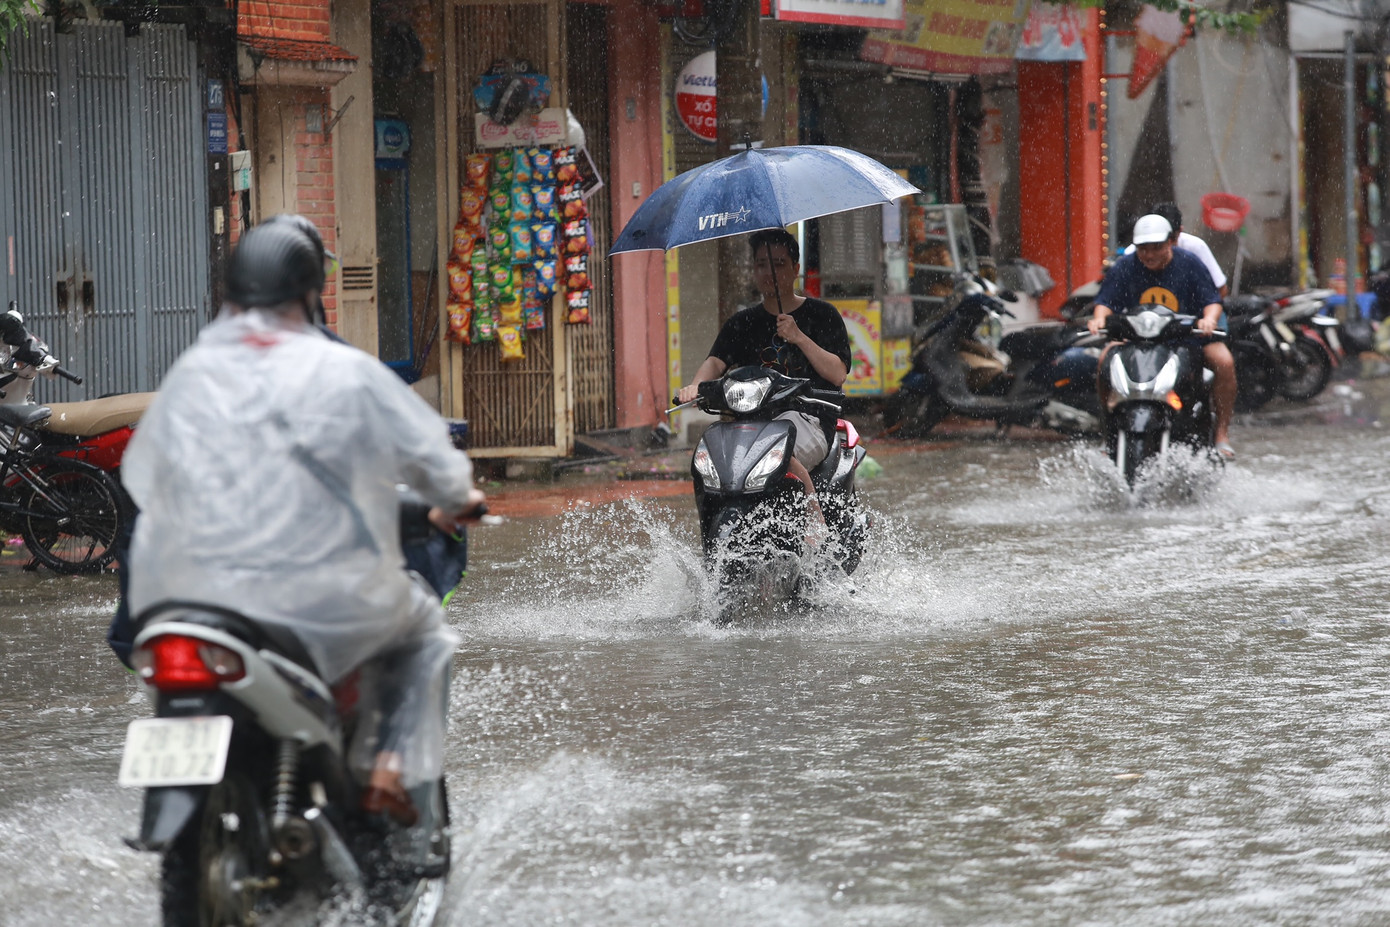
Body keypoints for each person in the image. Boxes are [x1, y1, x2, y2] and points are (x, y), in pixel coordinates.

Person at [121, 218, 484, 823]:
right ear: (311, 291)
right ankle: (386, 768)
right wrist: (457, 498)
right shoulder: (342, 369)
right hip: (309, 604)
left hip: (177, 601)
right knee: (423, 632)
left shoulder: (192, 372)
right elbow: (433, 464)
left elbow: (142, 480)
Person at [676, 229, 851, 523]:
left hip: (807, 420)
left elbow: (838, 374)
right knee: (708, 462)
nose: (769, 272)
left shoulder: (823, 315)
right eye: (761, 265)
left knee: (775, 449)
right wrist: (694, 386)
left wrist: (799, 337)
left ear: (795, 268)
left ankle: (813, 516)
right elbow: (715, 363)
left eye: (779, 264)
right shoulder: (741, 322)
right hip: (747, 425)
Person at [1088, 213, 1237, 458]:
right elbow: (1106, 301)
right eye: (1143, 249)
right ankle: (1108, 434)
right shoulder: (1125, 265)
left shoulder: (1189, 263)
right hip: (1135, 337)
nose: (1149, 255)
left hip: (1187, 337)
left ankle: (1221, 433)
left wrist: (1208, 319)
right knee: (1105, 361)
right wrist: (1099, 318)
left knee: (1224, 362)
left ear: (1171, 242)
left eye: (1156, 248)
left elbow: (1212, 300)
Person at [1123, 202, 1228, 296]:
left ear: (1180, 231)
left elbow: (1220, 290)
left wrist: (1206, 315)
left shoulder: (1196, 248)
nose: (1169, 247)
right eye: (1155, 245)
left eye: (1172, 238)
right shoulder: (1130, 255)